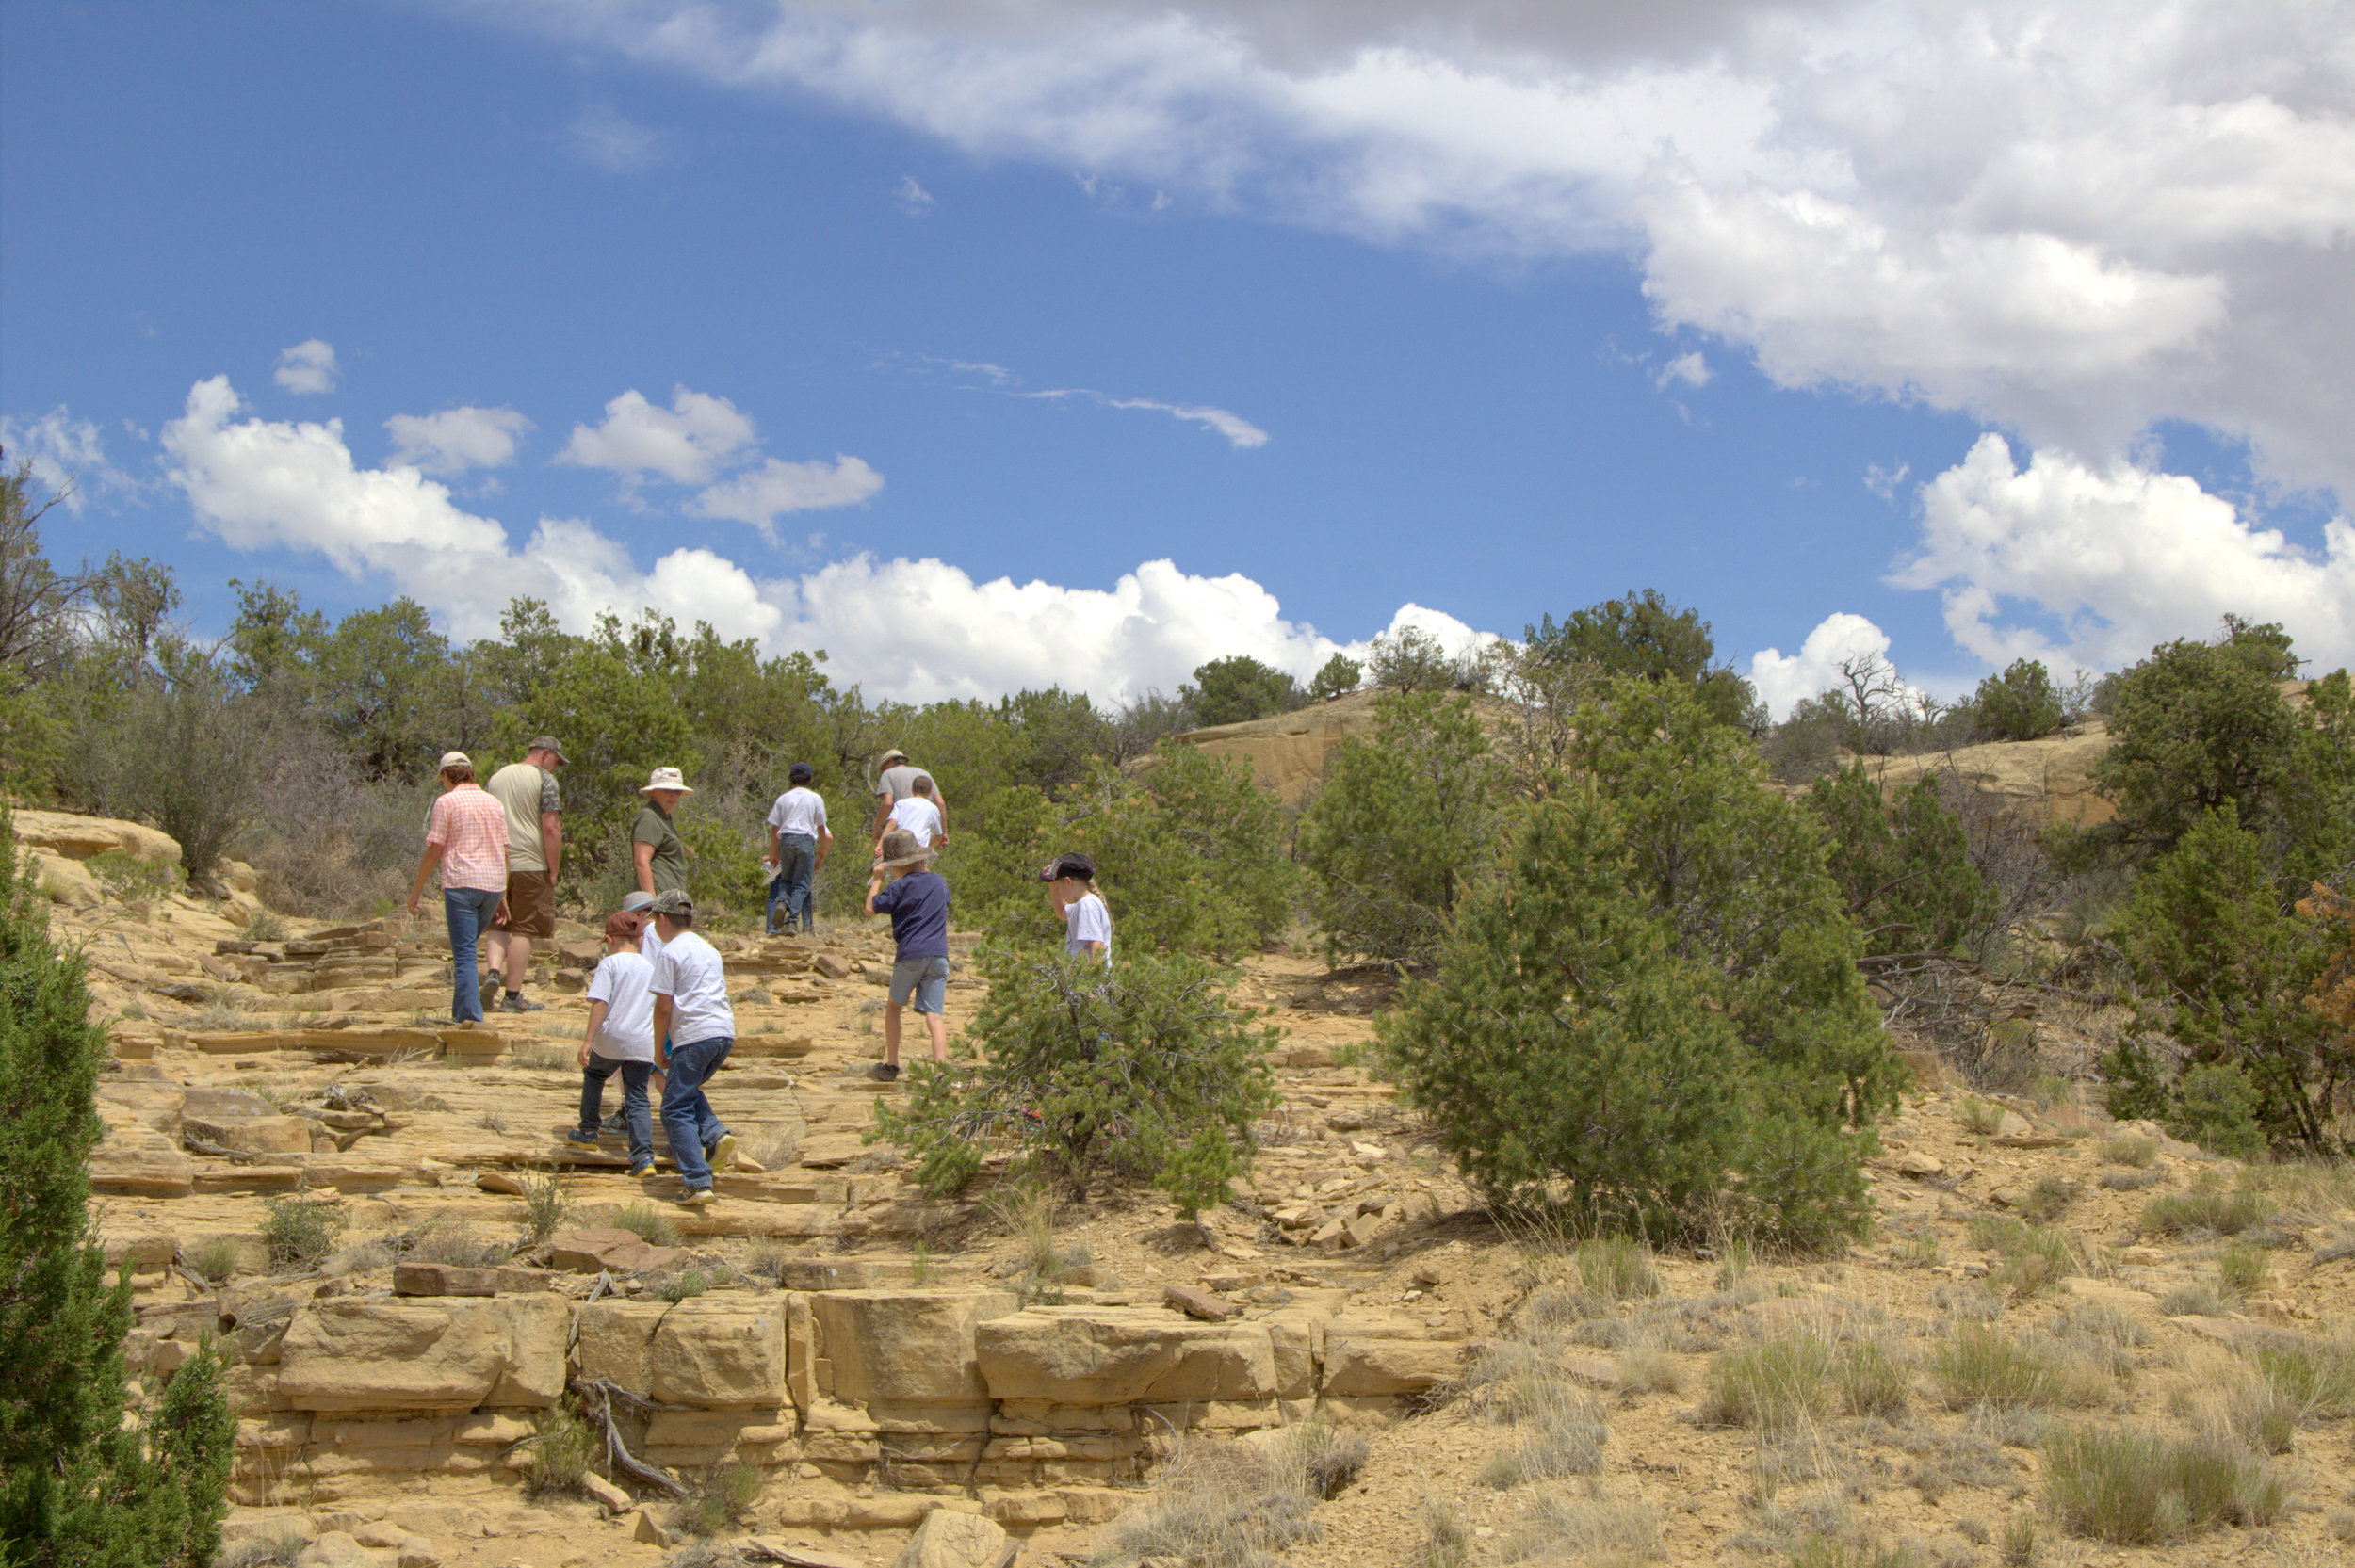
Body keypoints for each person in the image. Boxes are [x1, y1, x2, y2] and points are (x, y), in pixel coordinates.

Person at [646, 889, 737, 1205]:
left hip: (693, 1036)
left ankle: (697, 1181)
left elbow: (662, 1008)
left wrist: (658, 1050)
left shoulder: (669, 953)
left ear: (661, 919)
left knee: (673, 1108)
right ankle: (714, 1133)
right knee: (683, 1092)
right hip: (722, 1034)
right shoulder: (709, 950)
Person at [405, 752, 509, 1024]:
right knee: (466, 948)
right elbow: (504, 849)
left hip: (462, 883)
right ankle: (461, 1011)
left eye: (443, 779)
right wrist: (503, 894)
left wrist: (416, 890)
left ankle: (469, 1017)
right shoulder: (494, 803)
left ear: (448, 775)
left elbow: (435, 848)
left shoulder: (447, 802)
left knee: (463, 954)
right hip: (493, 884)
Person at [566, 911, 658, 1177]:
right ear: (639, 940)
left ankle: (588, 1131)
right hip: (642, 1041)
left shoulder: (609, 964)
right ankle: (643, 1159)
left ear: (609, 939)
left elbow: (600, 1002)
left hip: (612, 1038)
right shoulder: (651, 967)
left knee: (595, 1073)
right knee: (637, 1096)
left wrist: (588, 1040)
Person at [484, 735, 567, 1013]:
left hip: (497, 863)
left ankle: (493, 972)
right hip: (530, 863)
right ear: (545, 754)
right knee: (524, 928)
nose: (556, 766)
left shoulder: (497, 777)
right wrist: (553, 869)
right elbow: (551, 826)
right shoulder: (544, 780)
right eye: (556, 760)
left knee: (498, 922)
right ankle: (512, 996)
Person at [865, 829, 951, 1082]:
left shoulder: (899, 886)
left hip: (911, 954)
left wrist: (877, 880)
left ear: (897, 865)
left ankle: (892, 1065)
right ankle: (941, 1071)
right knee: (935, 1015)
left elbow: (870, 909)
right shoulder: (939, 881)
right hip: (938, 955)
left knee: (894, 1007)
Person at [765, 763, 832, 936]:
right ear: (810, 779)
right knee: (802, 884)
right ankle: (792, 920)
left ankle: (781, 902)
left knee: (786, 880)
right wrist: (821, 853)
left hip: (785, 840)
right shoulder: (815, 798)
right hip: (805, 840)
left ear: (790, 779)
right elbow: (822, 828)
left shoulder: (783, 799)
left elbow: (775, 827)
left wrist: (774, 851)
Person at [1042, 851, 1113, 964]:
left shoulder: (1087, 906)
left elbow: (1097, 945)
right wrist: (1051, 883)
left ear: (1068, 881)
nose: (1058, 893)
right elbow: (1061, 912)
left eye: (1057, 889)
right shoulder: (1081, 905)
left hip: (1090, 979)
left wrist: (1092, 978)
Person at [869, 748, 948, 846]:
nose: (882, 772)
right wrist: (944, 833)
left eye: (883, 768)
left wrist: (876, 827)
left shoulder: (888, 774)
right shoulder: (925, 774)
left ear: (891, 762)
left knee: (889, 859)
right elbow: (941, 803)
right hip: (923, 836)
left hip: (901, 835)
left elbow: (887, 803)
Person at [633, 767, 692, 898]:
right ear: (654, 792)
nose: (673, 796)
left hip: (670, 901)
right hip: (660, 903)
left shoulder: (663, 818)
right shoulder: (649, 817)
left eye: (677, 791)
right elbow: (641, 862)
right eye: (667, 790)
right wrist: (652, 903)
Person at [879, 774, 944, 855]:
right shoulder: (933, 809)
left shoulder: (901, 803)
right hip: (918, 850)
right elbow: (938, 837)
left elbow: (892, 823)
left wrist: (880, 845)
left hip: (899, 846)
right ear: (930, 792)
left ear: (912, 789)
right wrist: (926, 848)